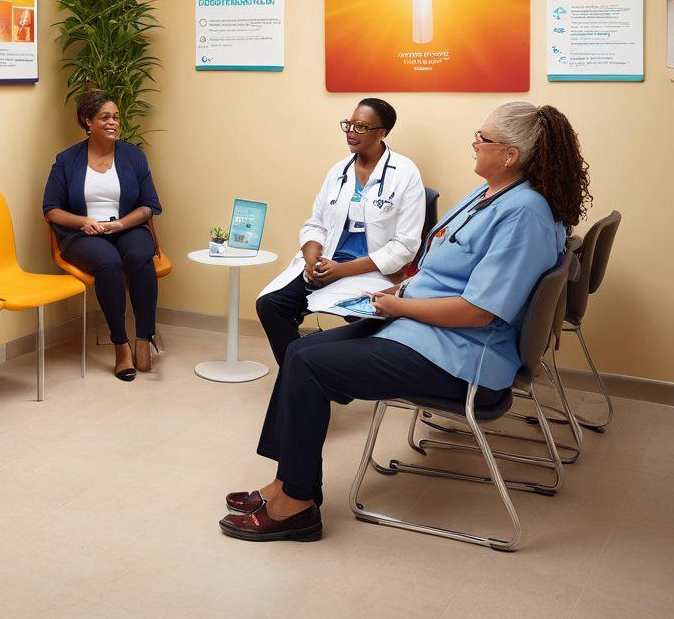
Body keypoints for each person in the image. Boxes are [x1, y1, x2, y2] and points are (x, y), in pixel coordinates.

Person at [221, 102, 590, 542]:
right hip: (425, 329)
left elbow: (478, 311)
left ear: (510, 154)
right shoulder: (491, 192)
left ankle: (297, 505)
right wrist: (401, 293)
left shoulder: (523, 212)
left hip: (463, 357)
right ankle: (285, 484)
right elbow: (443, 267)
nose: (474, 142)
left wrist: (399, 306)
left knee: (307, 366)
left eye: (484, 138)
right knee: (300, 351)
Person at [256, 98, 425, 366]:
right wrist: (312, 260)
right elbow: (316, 224)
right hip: (326, 265)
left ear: (382, 133)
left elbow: (404, 246)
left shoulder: (405, 173)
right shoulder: (338, 171)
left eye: (361, 127)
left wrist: (341, 270)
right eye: (349, 124)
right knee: (271, 305)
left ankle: (325, 377)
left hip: (372, 271)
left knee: (368, 320)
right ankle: (300, 376)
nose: (351, 132)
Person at [43, 89, 163, 381]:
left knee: (138, 256)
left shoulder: (133, 156)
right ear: (88, 121)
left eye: (116, 117)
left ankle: (144, 338)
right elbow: (51, 210)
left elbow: (150, 206)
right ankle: (121, 345)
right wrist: (83, 221)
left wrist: (121, 224)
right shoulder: (67, 160)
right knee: (109, 263)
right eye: (105, 117)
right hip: (83, 234)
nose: (113, 123)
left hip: (127, 226)